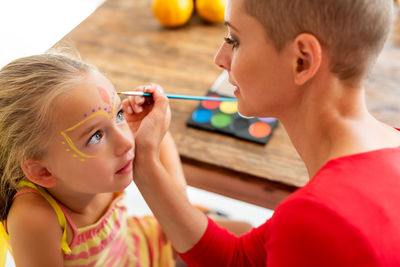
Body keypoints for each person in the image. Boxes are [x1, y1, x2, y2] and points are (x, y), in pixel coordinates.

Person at [123, 0, 400, 266]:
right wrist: (145, 162)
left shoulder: (317, 218)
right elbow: (238, 260)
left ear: (301, 60)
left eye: (235, 40)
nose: (220, 57)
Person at [0, 52, 187, 266]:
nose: (126, 141)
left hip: (144, 245)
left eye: (118, 115)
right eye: (96, 136)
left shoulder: (105, 162)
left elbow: (162, 152)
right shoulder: (34, 218)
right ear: (43, 171)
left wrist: (148, 121)